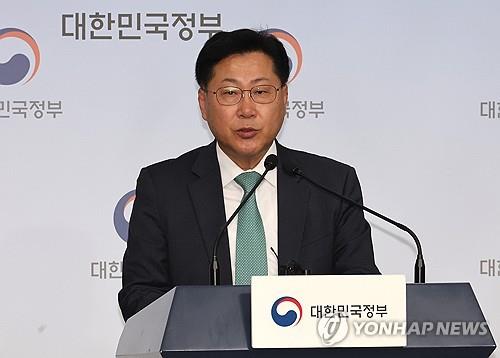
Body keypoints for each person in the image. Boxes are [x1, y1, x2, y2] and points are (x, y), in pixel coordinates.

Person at [118, 28, 379, 321]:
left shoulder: (332, 184)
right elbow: (139, 294)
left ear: (284, 98)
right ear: (204, 103)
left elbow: (363, 290)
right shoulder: (164, 188)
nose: (247, 109)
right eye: (230, 93)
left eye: (261, 91)